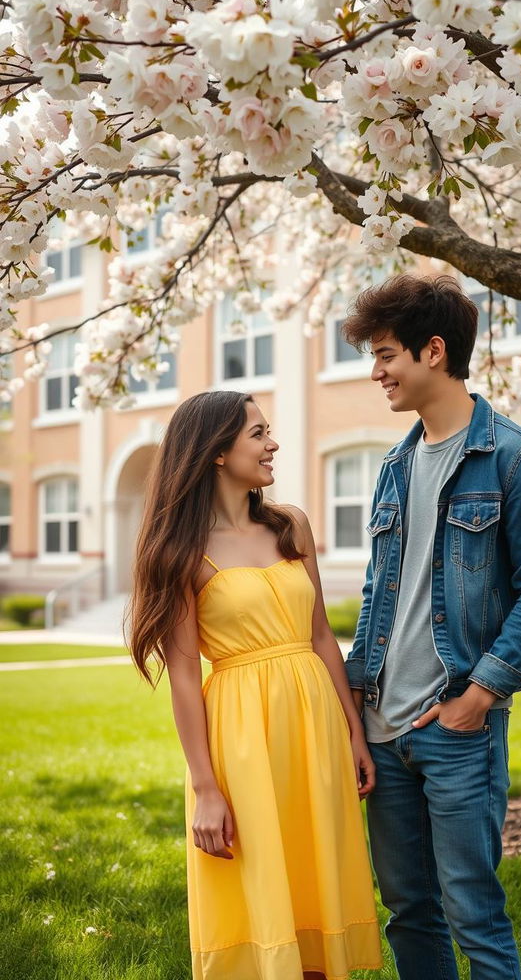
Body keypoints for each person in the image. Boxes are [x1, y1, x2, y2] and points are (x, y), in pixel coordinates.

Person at [341, 274, 521, 980]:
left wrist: (477, 699)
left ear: (433, 351)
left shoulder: (516, 458)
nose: (375, 371)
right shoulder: (393, 466)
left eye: (386, 355)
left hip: (456, 730)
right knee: (409, 910)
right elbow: (381, 590)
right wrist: (355, 695)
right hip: (384, 727)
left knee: (472, 909)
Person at [128, 390, 382, 980]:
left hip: (313, 723)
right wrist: (206, 788)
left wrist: (353, 734)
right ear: (217, 452)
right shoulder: (179, 551)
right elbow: (185, 678)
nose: (273, 444)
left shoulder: (291, 524)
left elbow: (320, 634)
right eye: (258, 434)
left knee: (314, 888)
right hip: (242, 737)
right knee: (262, 888)